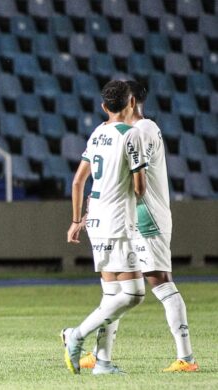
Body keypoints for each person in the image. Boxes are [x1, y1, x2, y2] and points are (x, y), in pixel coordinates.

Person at [78, 80, 199, 373]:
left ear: (131, 101)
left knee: (160, 282)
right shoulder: (131, 131)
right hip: (132, 217)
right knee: (116, 290)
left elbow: (133, 183)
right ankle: (100, 354)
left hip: (148, 217)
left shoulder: (141, 131)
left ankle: (186, 358)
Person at [61, 80, 147, 375]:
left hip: (95, 220)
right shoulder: (131, 134)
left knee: (112, 296)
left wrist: (76, 221)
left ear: (103, 107)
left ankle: (104, 362)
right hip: (117, 221)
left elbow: (77, 182)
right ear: (131, 103)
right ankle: (76, 334)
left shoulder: (97, 133)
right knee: (135, 294)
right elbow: (139, 187)